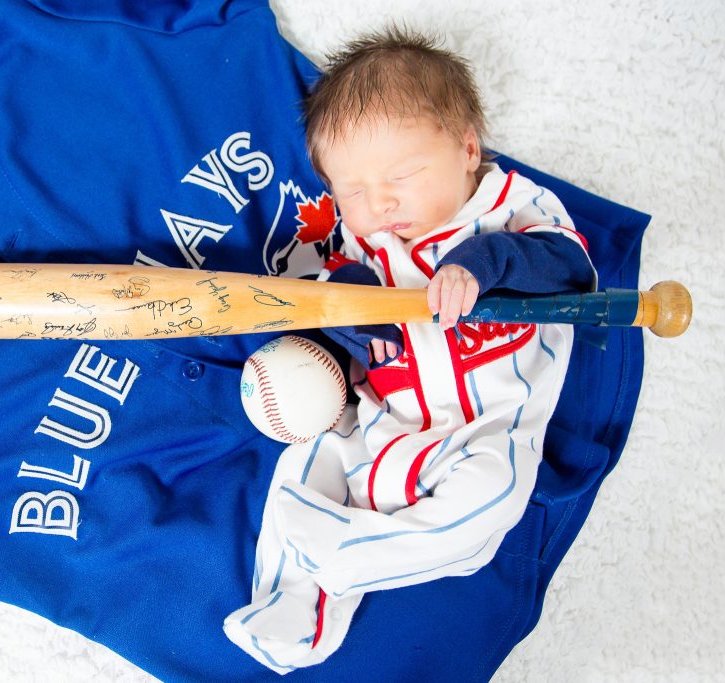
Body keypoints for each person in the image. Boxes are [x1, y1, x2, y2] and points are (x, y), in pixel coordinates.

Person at [223, 25, 597, 673]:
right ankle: (290, 610)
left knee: (492, 498)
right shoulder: (360, 251)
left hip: (483, 432)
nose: (381, 202)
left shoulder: (507, 210)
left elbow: (571, 270)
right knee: (302, 466)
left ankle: (348, 559)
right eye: (353, 191)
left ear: (467, 148)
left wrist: (483, 263)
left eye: (402, 174)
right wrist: (345, 326)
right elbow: (333, 325)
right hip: (379, 427)